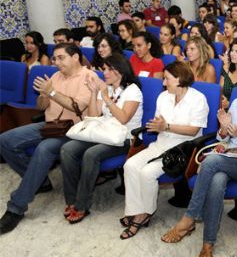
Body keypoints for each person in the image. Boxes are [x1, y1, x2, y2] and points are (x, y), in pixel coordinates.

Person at [162, 64, 237, 257]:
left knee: (213, 161)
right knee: (216, 182)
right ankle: (208, 243)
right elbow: (222, 137)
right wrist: (224, 129)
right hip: (226, 156)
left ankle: (190, 217)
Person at [0, 44, 97, 234]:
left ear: (75, 57)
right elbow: (41, 107)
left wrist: (52, 92)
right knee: (5, 140)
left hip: (73, 131)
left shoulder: (89, 77)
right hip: (50, 125)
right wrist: (44, 95)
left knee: (44, 149)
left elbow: (78, 107)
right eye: (55, 58)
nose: (56, 62)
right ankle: (41, 181)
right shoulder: (55, 76)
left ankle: (16, 208)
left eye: (61, 58)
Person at [120, 62, 209, 239]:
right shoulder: (163, 97)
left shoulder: (198, 99)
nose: (164, 83)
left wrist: (166, 126)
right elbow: (158, 122)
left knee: (147, 173)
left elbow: (194, 130)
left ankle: (145, 213)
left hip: (181, 150)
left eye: (167, 79)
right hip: (161, 144)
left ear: (179, 79)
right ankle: (135, 209)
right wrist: (157, 126)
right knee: (130, 165)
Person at [60, 55, 143, 223]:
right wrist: (94, 93)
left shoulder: (133, 90)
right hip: (103, 133)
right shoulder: (106, 87)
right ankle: (71, 200)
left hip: (125, 137)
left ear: (119, 71)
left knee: (91, 154)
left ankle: (82, 205)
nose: (104, 73)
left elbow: (124, 119)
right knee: (67, 149)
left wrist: (105, 97)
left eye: (108, 69)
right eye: (103, 69)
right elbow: (93, 116)